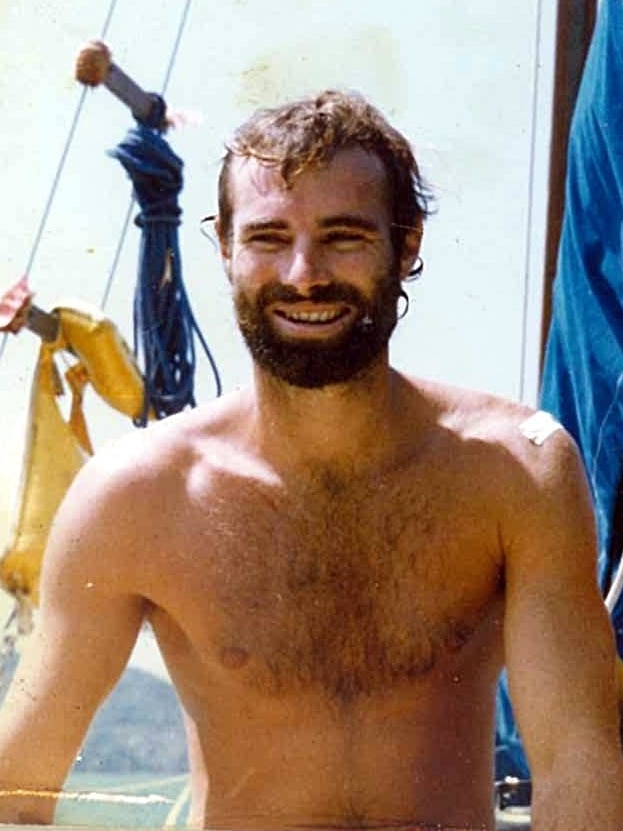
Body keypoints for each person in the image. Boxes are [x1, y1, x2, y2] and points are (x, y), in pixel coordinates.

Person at [0, 89, 622, 831]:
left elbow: (576, 760)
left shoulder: (515, 474)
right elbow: (17, 789)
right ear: (224, 248)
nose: (303, 274)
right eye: (267, 238)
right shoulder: (134, 498)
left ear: (408, 243)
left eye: (344, 235)